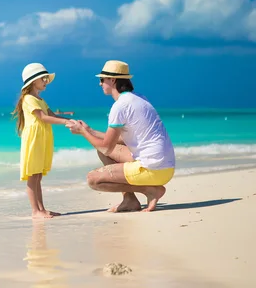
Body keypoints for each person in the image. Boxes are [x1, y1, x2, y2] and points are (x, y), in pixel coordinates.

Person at [66, 60, 175, 212]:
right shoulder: (140, 98)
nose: (100, 84)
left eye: (102, 80)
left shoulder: (120, 106)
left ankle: (150, 190)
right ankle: (130, 200)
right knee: (103, 152)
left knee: (93, 180)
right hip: (166, 167)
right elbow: (122, 139)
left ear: (113, 80)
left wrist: (82, 133)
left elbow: (106, 147)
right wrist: (89, 130)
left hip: (153, 170)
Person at [12, 63, 73, 219]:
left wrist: (70, 120)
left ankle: (42, 209)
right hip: (33, 140)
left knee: (38, 175)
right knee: (33, 176)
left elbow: (52, 114)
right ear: (33, 81)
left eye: (46, 78)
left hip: (42, 139)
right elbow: (43, 117)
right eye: (43, 78)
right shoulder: (28, 98)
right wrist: (65, 123)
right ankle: (35, 211)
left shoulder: (40, 99)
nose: (46, 81)